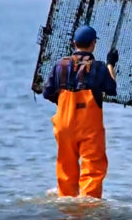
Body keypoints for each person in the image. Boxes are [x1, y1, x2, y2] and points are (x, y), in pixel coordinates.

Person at [43, 25, 119, 199]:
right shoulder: (98, 67)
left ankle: (66, 202)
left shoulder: (60, 65)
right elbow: (112, 88)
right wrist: (110, 65)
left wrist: (65, 100)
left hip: (64, 125)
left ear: (74, 43)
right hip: (89, 127)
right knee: (93, 169)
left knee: (65, 167)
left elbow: (47, 92)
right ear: (93, 43)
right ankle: (90, 208)